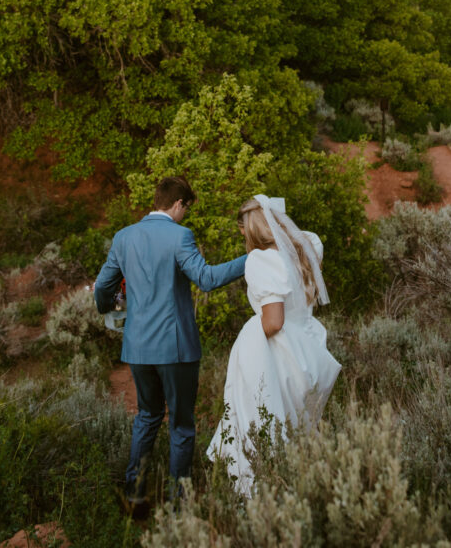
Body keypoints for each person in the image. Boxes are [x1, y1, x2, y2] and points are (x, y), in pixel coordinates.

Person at [93, 175, 247, 513]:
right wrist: (250, 260)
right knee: (180, 423)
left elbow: (103, 287)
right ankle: (180, 504)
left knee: (147, 416)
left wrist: (112, 309)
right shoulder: (180, 236)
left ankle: (134, 495)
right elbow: (206, 279)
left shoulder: (124, 237)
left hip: (137, 347)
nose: (186, 216)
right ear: (178, 204)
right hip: (175, 349)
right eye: (186, 209)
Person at [207, 193, 341, 495]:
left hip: (279, 357)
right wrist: (274, 216)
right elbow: (304, 237)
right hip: (308, 349)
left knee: (264, 423)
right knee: (299, 427)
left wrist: (248, 337)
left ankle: (260, 495)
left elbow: (274, 320)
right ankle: (303, 490)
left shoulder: (260, 260)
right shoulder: (305, 250)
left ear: (249, 229)